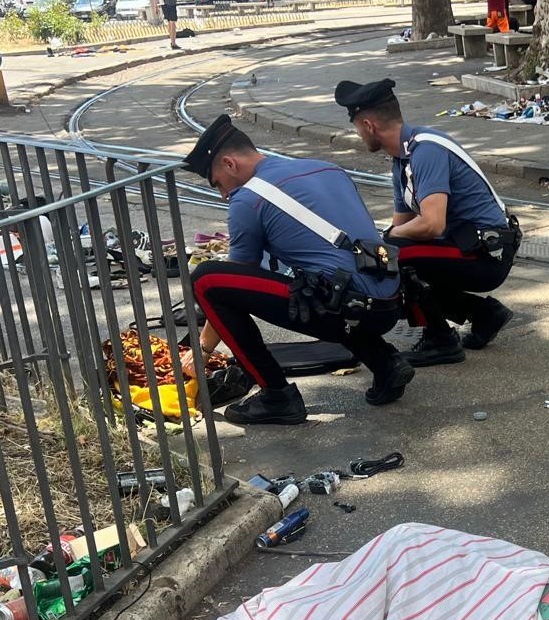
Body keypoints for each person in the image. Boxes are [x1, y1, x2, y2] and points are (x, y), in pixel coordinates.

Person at [180, 115, 413, 425]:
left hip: (350, 307)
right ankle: (386, 363)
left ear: (230, 163)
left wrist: (203, 349)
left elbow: (232, 283)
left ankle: (276, 395)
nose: (223, 194)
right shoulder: (326, 167)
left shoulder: (247, 200)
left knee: (207, 280)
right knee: (321, 280)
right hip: (390, 299)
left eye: (218, 183)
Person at [334, 78, 521, 368]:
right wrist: (380, 245)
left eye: (357, 127)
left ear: (369, 125)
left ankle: (440, 340)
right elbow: (401, 225)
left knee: (396, 256)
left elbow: (431, 224)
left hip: (487, 255)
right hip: (465, 245)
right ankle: (484, 314)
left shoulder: (426, 151)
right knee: (386, 256)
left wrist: (388, 242)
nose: (358, 134)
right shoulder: (403, 159)